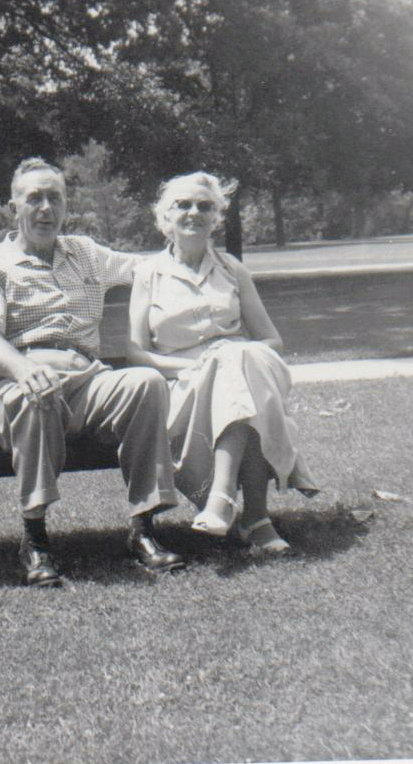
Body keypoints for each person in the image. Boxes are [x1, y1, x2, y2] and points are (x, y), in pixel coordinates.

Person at [0, 161, 185, 586]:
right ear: (14, 207)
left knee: (146, 383)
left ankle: (143, 528)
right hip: (8, 388)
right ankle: (35, 537)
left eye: (55, 198)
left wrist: (190, 235)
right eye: (34, 198)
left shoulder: (85, 253)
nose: (45, 208)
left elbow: (149, 269)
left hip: (85, 384)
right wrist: (24, 368)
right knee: (35, 394)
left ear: (66, 205)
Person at [126, 173, 314, 560]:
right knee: (242, 373)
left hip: (241, 375)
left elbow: (271, 340)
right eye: (183, 205)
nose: (194, 212)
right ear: (165, 216)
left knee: (240, 361)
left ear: (216, 218)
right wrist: (196, 366)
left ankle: (223, 499)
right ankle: (255, 519)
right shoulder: (148, 275)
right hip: (187, 389)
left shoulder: (232, 270)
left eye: (205, 206)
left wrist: (229, 356)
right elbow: (137, 352)